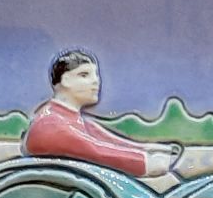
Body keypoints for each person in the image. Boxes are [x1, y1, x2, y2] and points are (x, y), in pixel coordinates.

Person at [23, 50, 180, 180]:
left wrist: (150, 149)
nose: (96, 81)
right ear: (65, 80)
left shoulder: (72, 119)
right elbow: (95, 151)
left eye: (95, 75)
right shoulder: (50, 124)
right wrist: (145, 162)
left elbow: (108, 140)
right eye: (84, 75)